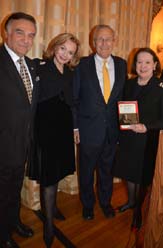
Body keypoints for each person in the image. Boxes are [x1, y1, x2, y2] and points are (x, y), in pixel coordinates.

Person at [28, 33, 80, 247]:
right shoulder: (39, 66)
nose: (65, 55)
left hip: (64, 128)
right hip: (45, 130)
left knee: (57, 171)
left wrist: (75, 127)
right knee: (48, 176)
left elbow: (72, 103)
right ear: (55, 47)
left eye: (70, 52)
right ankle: (48, 224)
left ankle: (53, 207)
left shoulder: (70, 72)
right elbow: (31, 100)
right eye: (63, 49)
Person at [73, 24, 127, 220]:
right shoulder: (81, 64)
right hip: (88, 130)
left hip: (112, 131)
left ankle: (105, 203)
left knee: (107, 171)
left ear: (114, 41)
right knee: (86, 172)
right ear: (93, 42)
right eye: (100, 39)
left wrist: (126, 127)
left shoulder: (122, 64)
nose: (104, 43)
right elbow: (75, 99)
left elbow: (122, 98)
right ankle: (88, 205)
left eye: (108, 39)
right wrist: (75, 126)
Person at [114, 47, 163, 230]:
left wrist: (147, 126)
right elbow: (122, 108)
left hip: (147, 142)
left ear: (155, 65)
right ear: (135, 65)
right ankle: (131, 201)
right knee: (127, 173)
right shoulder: (129, 84)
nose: (143, 65)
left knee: (140, 177)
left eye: (147, 62)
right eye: (139, 62)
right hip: (128, 138)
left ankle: (137, 211)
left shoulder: (162, 88)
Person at [0, 12, 38, 248]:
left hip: (22, 146)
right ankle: (2, 235)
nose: (26, 40)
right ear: (6, 33)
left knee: (14, 190)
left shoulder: (30, 64)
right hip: (2, 147)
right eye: (20, 33)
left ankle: (13, 222)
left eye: (31, 35)